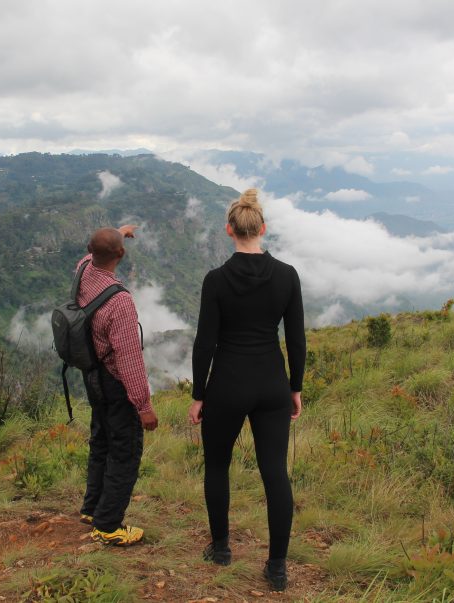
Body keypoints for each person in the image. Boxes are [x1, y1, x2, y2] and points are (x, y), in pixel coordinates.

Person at [188, 189, 306, 592]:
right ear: (263, 229)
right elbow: (296, 339)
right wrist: (295, 387)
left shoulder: (216, 280)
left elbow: (205, 342)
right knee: (275, 472)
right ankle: (277, 567)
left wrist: (198, 394)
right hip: (272, 382)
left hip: (228, 384)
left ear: (229, 230)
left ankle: (221, 549)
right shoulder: (287, 276)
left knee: (218, 465)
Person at [75, 224, 159, 546]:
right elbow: (129, 359)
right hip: (114, 382)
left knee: (101, 440)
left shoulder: (83, 270)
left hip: (91, 375)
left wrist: (117, 233)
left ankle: (92, 507)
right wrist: (144, 406)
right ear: (121, 256)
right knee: (124, 451)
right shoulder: (120, 302)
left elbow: (93, 250)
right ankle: (108, 525)